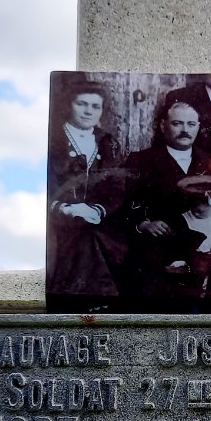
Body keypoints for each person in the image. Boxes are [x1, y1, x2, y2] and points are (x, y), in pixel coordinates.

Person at [124, 97, 211, 303]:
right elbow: (127, 202)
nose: (184, 130)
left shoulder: (210, 162)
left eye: (190, 124)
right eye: (177, 123)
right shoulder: (141, 160)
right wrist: (143, 224)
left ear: (198, 127)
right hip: (162, 240)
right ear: (163, 126)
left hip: (203, 238)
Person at [45, 80, 129, 309]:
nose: (88, 111)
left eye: (95, 106)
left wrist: (97, 209)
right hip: (57, 218)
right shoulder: (53, 139)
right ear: (69, 105)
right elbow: (45, 184)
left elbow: (116, 188)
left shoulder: (106, 142)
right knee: (84, 237)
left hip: (97, 218)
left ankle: (91, 301)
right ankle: (96, 301)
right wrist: (63, 208)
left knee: (97, 236)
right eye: (82, 104)